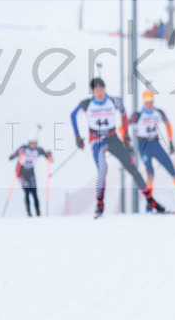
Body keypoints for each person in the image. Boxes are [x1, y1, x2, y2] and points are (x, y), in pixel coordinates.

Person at [70, 77, 166, 217]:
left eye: (101, 89)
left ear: (104, 88)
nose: (99, 93)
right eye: (96, 90)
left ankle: (151, 201)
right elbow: (73, 115)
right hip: (97, 140)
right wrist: (77, 137)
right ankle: (100, 205)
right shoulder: (87, 104)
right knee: (103, 169)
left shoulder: (114, 101)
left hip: (112, 138)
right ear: (92, 91)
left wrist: (126, 134)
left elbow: (123, 112)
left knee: (131, 167)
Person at [129, 90, 175, 202]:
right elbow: (123, 126)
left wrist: (170, 141)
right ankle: (149, 201)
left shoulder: (158, 112)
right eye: (147, 103)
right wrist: (126, 142)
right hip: (143, 145)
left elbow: (168, 124)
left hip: (155, 144)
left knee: (171, 167)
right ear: (143, 103)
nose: (149, 105)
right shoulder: (137, 115)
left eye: (151, 102)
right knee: (150, 173)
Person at [8, 139, 53, 217]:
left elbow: (49, 158)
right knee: (27, 192)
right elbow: (11, 157)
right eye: (32, 143)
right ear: (29, 143)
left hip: (31, 172)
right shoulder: (24, 148)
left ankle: (38, 212)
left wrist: (49, 156)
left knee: (34, 193)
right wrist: (17, 154)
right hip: (21, 172)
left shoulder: (38, 150)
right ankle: (28, 212)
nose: (33, 145)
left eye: (35, 143)